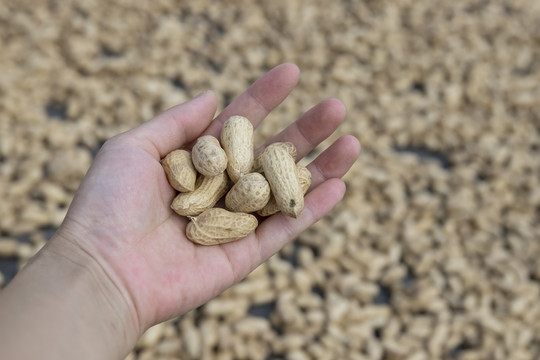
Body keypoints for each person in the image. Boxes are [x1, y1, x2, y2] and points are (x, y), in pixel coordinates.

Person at [0, 63, 360, 359]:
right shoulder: (214, 184)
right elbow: (216, 188)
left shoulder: (243, 183)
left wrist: (94, 271)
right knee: (245, 182)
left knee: (251, 183)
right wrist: (96, 266)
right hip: (220, 201)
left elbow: (241, 186)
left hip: (228, 201)